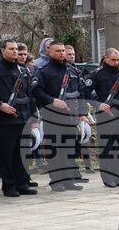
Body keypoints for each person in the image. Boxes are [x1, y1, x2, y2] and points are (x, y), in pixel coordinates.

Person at [0, 39, 37, 198]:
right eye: (11, 49)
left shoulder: (23, 70)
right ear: (3, 50)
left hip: (24, 115)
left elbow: (29, 95)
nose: (15, 52)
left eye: (16, 49)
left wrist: (33, 117)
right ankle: (9, 185)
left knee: (23, 152)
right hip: (7, 118)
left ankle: (22, 183)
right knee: (8, 153)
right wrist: (0, 105)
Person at [32, 40, 87, 192]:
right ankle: (56, 181)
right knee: (55, 150)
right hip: (53, 117)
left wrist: (83, 114)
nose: (62, 53)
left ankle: (69, 181)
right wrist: (52, 100)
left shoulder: (72, 71)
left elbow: (81, 92)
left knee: (69, 149)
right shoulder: (43, 71)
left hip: (71, 116)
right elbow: (37, 92)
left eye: (63, 50)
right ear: (49, 52)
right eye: (58, 51)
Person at [86, 48, 119, 188]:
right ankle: (108, 179)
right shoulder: (96, 75)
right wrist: (98, 104)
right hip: (105, 116)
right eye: (113, 59)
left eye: (117, 59)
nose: (116, 62)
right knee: (107, 148)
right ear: (105, 58)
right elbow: (85, 91)